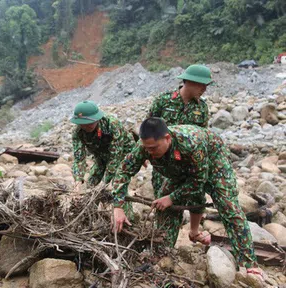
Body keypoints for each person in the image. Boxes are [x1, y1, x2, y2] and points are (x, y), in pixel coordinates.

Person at [111, 118, 262, 277]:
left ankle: (248, 263)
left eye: (153, 148)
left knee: (228, 206)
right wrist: (118, 206)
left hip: (213, 160)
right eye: (146, 148)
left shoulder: (191, 143)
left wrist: (172, 197)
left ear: (167, 138)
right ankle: (164, 250)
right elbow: (123, 172)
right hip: (180, 166)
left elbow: (198, 182)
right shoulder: (145, 146)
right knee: (164, 207)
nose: (149, 153)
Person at [148, 64, 212, 238]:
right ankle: (163, 239)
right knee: (164, 198)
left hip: (188, 162)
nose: (205, 89)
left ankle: (194, 231)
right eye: (201, 85)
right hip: (163, 162)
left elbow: (203, 138)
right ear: (189, 82)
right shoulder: (163, 101)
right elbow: (149, 128)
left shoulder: (202, 108)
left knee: (197, 193)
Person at [70, 100, 135, 192]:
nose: (86, 126)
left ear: (97, 119)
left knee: (116, 187)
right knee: (90, 185)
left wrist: (104, 183)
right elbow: (79, 159)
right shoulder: (77, 132)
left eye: (89, 123)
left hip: (124, 154)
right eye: (82, 124)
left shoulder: (112, 125)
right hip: (101, 156)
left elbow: (115, 157)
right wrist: (77, 181)